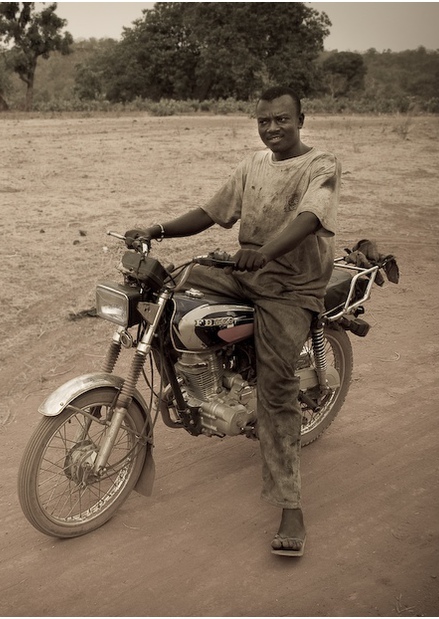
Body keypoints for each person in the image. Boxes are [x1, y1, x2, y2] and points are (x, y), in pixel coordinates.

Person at [125, 86, 340, 557]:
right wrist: (156, 230)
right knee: (171, 291)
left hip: (289, 284)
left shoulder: (321, 165)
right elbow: (210, 212)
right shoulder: (253, 166)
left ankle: (290, 506)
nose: (271, 128)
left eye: (281, 119)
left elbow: (307, 218)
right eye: (263, 121)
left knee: (279, 388)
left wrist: (261, 254)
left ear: (301, 119)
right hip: (244, 272)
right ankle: (198, 381)